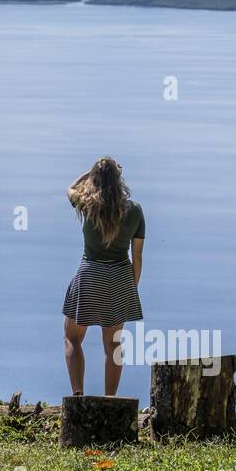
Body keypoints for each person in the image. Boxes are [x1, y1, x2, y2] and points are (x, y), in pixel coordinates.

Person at [62, 157, 145, 397]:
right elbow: (137, 256)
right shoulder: (134, 210)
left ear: (94, 179)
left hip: (90, 274)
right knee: (113, 345)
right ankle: (111, 401)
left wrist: (89, 172)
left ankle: (77, 396)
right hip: (120, 276)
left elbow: (69, 188)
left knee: (72, 338)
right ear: (119, 181)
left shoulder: (86, 204)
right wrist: (131, 288)